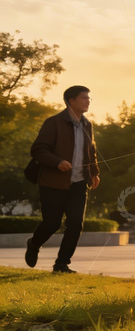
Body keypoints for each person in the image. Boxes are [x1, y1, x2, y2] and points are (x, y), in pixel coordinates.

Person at [26, 85, 100, 273]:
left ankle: (61, 264)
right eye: (84, 98)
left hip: (79, 183)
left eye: (88, 98)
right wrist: (57, 162)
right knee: (52, 223)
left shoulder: (87, 125)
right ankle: (34, 244)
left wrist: (94, 173)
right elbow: (38, 149)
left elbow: (91, 152)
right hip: (53, 183)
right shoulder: (53, 123)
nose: (88, 101)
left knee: (76, 223)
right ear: (71, 101)